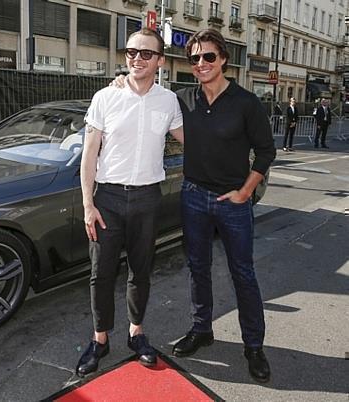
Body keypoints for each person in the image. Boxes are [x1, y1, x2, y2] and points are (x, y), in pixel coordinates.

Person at [76, 27, 184, 377]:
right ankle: (99, 340)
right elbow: (89, 154)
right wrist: (88, 205)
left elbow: (191, 139)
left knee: (141, 270)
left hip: (147, 198)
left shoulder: (168, 101)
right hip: (106, 199)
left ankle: (136, 334)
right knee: (100, 273)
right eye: (131, 52)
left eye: (145, 54)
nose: (137, 58)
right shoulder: (106, 97)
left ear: (160, 61)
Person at [171, 29, 276, 384]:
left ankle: (254, 346)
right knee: (198, 268)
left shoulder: (246, 103)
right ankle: (202, 330)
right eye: (195, 58)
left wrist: (245, 192)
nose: (200, 64)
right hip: (193, 196)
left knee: (243, 273)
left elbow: (266, 151)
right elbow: (146, 104)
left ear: (224, 60)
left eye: (208, 57)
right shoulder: (183, 98)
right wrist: (124, 83)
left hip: (233, 202)